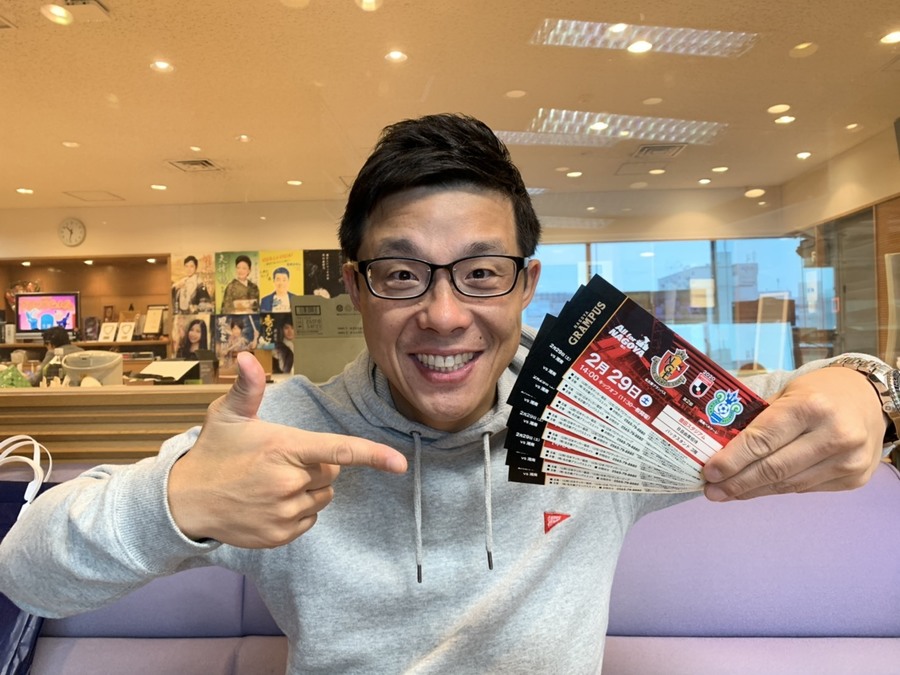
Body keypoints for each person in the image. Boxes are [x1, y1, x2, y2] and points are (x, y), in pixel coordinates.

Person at [0, 114, 893, 674]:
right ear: (355, 287)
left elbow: (807, 399)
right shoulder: (281, 435)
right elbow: (24, 573)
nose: (443, 314)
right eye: (401, 274)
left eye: (481, 272)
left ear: (525, 283)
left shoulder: (600, 410)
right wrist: (178, 501)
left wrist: (869, 389)